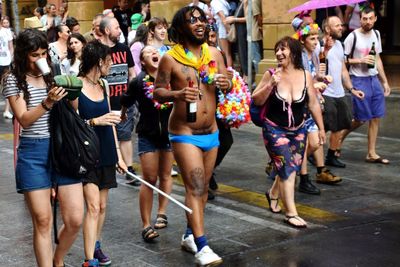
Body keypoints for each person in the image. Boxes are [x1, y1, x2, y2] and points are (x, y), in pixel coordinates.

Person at [154, 6, 231, 266]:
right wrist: (177, 94)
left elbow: (229, 82)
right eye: (192, 20)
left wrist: (226, 84)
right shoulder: (170, 59)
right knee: (195, 188)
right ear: (181, 29)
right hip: (184, 133)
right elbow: (158, 92)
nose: (199, 23)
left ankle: (189, 235)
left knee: (204, 190)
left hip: (212, 132)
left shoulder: (216, 54)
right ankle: (202, 246)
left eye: (201, 19)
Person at [2, 28, 83, 267]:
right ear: (22, 55)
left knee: (76, 218)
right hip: (33, 150)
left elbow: (74, 107)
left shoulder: (54, 72)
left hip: (62, 146)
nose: (40, 59)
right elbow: (24, 119)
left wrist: (70, 90)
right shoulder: (12, 79)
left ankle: (57, 259)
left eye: (44, 53)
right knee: (43, 220)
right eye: (34, 55)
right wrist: (47, 102)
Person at [252, 36, 326, 228]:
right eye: (277, 50)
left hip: (299, 129)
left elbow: (313, 103)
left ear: (294, 53)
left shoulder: (305, 75)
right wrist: (270, 85)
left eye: (283, 49)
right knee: (287, 166)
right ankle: (291, 213)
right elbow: (256, 100)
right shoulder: (271, 74)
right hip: (274, 129)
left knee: (290, 165)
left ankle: (273, 193)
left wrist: (321, 128)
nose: (278, 53)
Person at [73, 40, 127, 267]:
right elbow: (72, 125)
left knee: (102, 206)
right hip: (85, 153)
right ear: (99, 62)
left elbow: (111, 123)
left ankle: (96, 244)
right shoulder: (75, 86)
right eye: (108, 62)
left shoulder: (104, 85)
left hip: (105, 149)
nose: (111, 66)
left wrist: (119, 155)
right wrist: (95, 121)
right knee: (93, 206)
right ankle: (89, 260)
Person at [121, 45, 174, 242]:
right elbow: (126, 99)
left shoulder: (170, 78)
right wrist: (123, 114)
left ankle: (162, 212)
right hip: (147, 134)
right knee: (149, 178)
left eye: (156, 52)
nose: (154, 53)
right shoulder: (138, 82)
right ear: (142, 61)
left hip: (169, 134)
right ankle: (145, 224)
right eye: (148, 53)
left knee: (166, 175)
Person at [294, 24, 342, 191]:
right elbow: (301, 83)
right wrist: (317, 84)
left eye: (316, 38)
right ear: (302, 40)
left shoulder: (313, 54)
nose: (316, 42)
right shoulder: (298, 57)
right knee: (310, 143)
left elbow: (314, 78)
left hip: (312, 103)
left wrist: (322, 78)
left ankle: (295, 169)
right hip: (301, 107)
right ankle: (301, 176)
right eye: (312, 39)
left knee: (314, 143)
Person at [341, 6, 391, 164]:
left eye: (370, 18)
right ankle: (336, 141)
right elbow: (342, 61)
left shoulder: (376, 34)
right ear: (359, 18)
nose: (368, 21)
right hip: (358, 79)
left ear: (375, 18)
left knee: (375, 117)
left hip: (373, 79)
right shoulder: (352, 37)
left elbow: (378, 59)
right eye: (364, 18)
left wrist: (385, 81)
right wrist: (360, 60)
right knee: (360, 118)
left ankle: (371, 153)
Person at [99, 17, 138, 184]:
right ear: (107, 31)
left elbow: (132, 73)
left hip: (123, 103)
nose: (119, 30)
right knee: (104, 137)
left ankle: (129, 170)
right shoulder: (98, 51)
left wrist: (132, 96)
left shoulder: (124, 49)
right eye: (116, 28)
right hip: (104, 104)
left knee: (125, 136)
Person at [321, 16, 364, 168]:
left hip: (339, 93)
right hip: (326, 93)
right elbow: (317, 67)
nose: (341, 27)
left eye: (341, 25)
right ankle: (312, 153)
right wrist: (324, 50)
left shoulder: (339, 44)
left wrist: (352, 89)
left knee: (339, 126)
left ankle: (331, 156)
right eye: (337, 25)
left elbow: (343, 70)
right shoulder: (319, 44)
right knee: (324, 127)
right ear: (327, 29)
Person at [210, 0, 233, 66]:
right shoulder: (223, 1)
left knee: (226, 53)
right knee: (227, 53)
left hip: (223, 27)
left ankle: (230, 71)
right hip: (223, 26)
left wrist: (229, 31)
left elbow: (223, 18)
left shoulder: (215, 2)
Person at [1, 16, 14, 119]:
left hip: (5, 61)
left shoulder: (7, 31)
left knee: (7, 85)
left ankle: (6, 110)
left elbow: (10, 47)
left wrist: (11, 59)